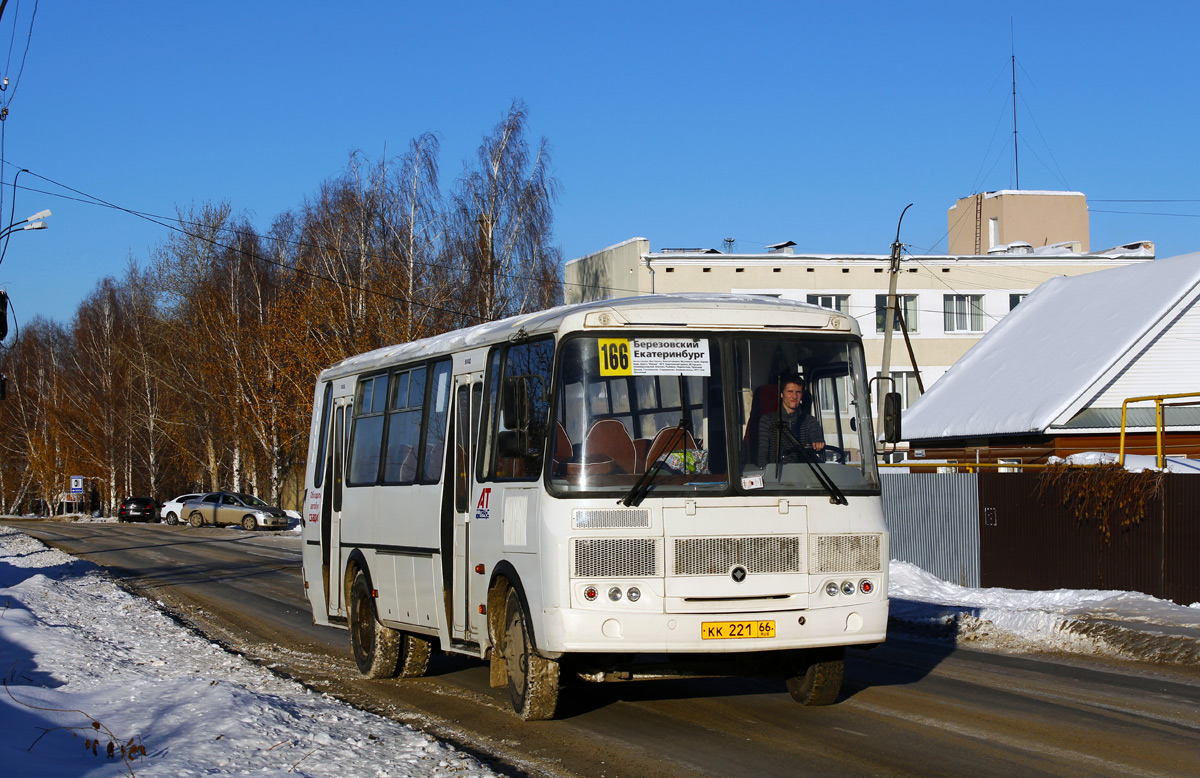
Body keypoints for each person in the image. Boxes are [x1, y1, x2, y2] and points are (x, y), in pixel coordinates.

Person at [755, 374, 825, 467]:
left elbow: (815, 434)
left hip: (805, 474)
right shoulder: (767, 420)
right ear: (782, 394)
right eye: (790, 392)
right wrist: (765, 472)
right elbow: (763, 451)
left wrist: (817, 441)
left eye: (798, 392)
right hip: (777, 475)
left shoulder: (809, 421)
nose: (794, 396)